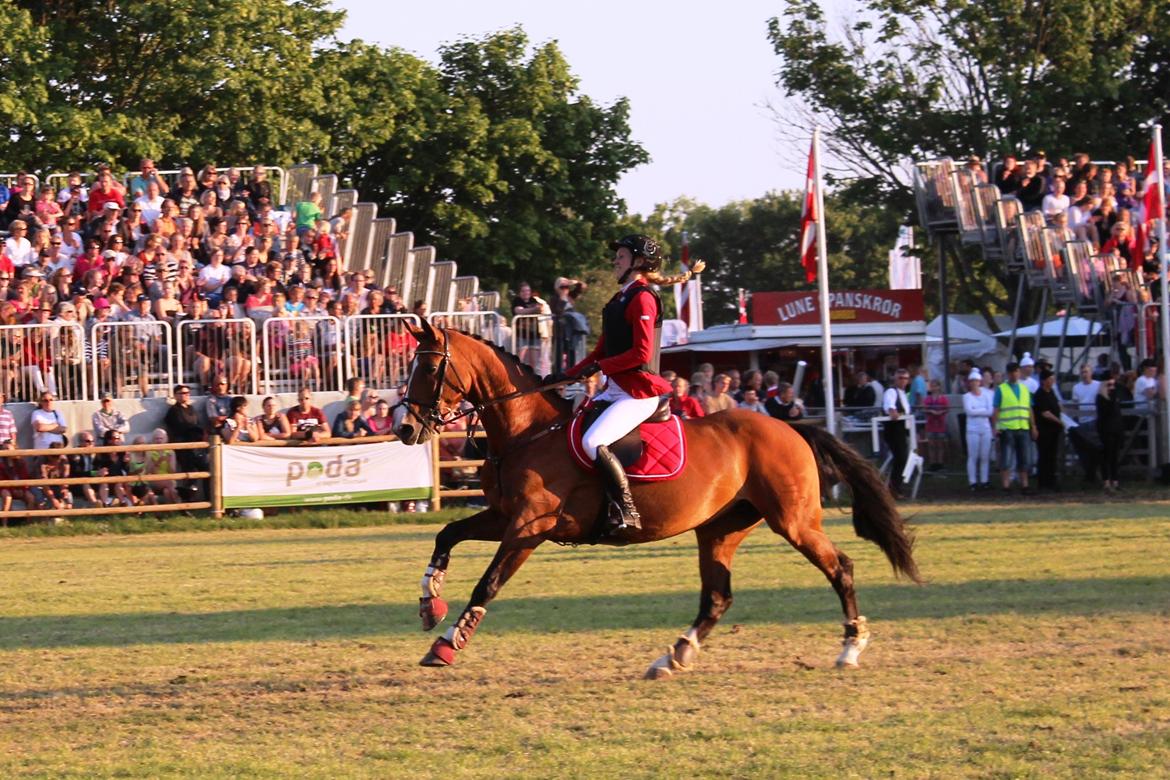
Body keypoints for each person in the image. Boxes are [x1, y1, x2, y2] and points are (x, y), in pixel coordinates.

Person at [560, 235, 698, 534]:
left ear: (638, 262)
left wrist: (601, 367)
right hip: (615, 391)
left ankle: (627, 510)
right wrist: (565, 375)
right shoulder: (618, 299)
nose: (615, 260)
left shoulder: (643, 297)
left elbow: (641, 353)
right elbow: (599, 352)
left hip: (640, 393)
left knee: (592, 442)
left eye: (621, 256)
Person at [992, 362, 1038, 493]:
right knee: (1006, 459)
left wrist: (1033, 426)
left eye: (1016, 371)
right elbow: (996, 409)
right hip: (1007, 428)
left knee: (1024, 458)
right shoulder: (1001, 389)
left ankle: (1025, 485)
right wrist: (995, 426)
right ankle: (1006, 486)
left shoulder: (1024, 389)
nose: (1014, 374)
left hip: (1023, 427)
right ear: (1008, 373)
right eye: (1012, 372)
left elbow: (1029, 409)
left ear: (1019, 372)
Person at [881, 368, 913, 497]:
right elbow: (891, 410)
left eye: (905, 378)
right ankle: (894, 489)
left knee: (902, 459)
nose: (903, 381)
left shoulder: (904, 394)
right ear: (895, 379)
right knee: (901, 458)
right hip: (894, 430)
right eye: (900, 378)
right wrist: (896, 413)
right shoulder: (891, 392)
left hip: (902, 430)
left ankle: (894, 487)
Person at [962, 370, 994, 491]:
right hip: (972, 429)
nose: (974, 383)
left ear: (980, 382)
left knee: (985, 456)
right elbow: (969, 411)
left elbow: (990, 411)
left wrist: (977, 411)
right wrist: (983, 411)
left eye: (976, 381)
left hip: (985, 428)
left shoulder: (986, 395)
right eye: (972, 381)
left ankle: (984, 480)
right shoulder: (967, 396)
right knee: (973, 456)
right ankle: (972, 481)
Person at [1032, 369, 1064, 491]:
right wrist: (1059, 421)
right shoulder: (1040, 394)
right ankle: (1043, 482)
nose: (1052, 381)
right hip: (1044, 430)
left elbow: (1057, 406)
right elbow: (1045, 413)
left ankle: (1051, 481)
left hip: (1054, 431)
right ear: (1044, 381)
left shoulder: (1051, 392)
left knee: (1052, 456)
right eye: (1050, 379)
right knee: (1044, 456)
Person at [1097, 372, 1124, 493]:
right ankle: (1106, 481)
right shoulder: (1101, 397)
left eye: (1113, 384)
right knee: (1106, 456)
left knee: (1115, 456)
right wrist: (1108, 395)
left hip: (1116, 428)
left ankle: (1115, 480)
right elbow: (1106, 412)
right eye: (1109, 385)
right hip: (1106, 429)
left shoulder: (1115, 394)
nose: (1112, 387)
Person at [94, 429, 133, 507]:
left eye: (118, 438)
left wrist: (127, 462)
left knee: (118, 484)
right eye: (115, 438)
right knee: (104, 484)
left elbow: (127, 471)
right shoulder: (101, 453)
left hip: (118, 480)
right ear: (108, 440)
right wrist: (98, 472)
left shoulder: (122, 452)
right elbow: (94, 470)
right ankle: (105, 505)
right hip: (104, 481)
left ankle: (124, 504)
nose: (117, 440)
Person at [0, 439, 37, 519]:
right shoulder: (1, 463)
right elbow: (2, 479)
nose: (5, 451)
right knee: (7, 497)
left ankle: (28, 522)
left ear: (14, 449)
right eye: (4, 449)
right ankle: (4, 523)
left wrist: (22, 489)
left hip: (20, 487)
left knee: (31, 498)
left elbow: (25, 477)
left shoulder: (21, 462)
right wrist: (13, 489)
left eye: (8, 449)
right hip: (6, 488)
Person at [922, 378, 949, 471]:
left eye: (935, 386)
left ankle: (940, 463)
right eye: (932, 386)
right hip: (931, 423)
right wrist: (930, 411)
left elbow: (947, 409)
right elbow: (924, 409)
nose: (933, 388)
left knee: (940, 444)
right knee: (931, 444)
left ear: (939, 387)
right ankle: (933, 463)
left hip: (940, 423)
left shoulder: (943, 398)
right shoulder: (928, 399)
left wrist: (941, 411)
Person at [68, 431, 101, 507]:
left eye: (93, 441)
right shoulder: (74, 454)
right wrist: (95, 473)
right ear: (80, 443)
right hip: (78, 484)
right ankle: (95, 504)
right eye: (88, 441)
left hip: (93, 481)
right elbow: (78, 473)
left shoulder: (98, 454)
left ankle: (105, 504)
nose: (91, 444)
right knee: (85, 482)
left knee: (104, 482)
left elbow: (99, 469)